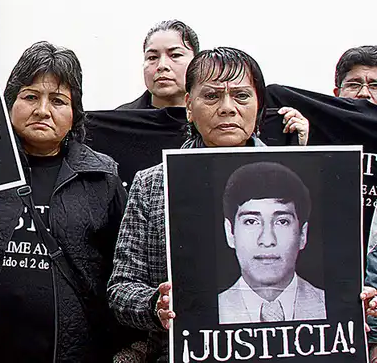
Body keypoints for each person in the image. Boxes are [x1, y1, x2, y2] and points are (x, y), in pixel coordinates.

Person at [108, 47, 311, 362]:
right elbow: (121, 288)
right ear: (189, 106)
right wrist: (154, 306)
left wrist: (349, 304)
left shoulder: (303, 176)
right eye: (212, 96)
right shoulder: (151, 185)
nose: (227, 108)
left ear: (259, 107)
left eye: (241, 96)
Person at [0, 41, 136, 362]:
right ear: (9, 102)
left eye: (58, 100)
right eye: (30, 97)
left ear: (74, 113)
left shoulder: (102, 177)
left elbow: (122, 268)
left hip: (73, 348)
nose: (43, 110)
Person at [217, 161, 324, 324]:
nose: (267, 240)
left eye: (282, 222)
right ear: (230, 232)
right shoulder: (207, 311)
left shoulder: (331, 306)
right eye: (251, 222)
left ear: (303, 234)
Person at [118, 20, 199, 109]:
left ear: (196, 63)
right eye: (152, 57)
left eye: (175, 55)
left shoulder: (212, 119)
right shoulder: (120, 120)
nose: (162, 65)